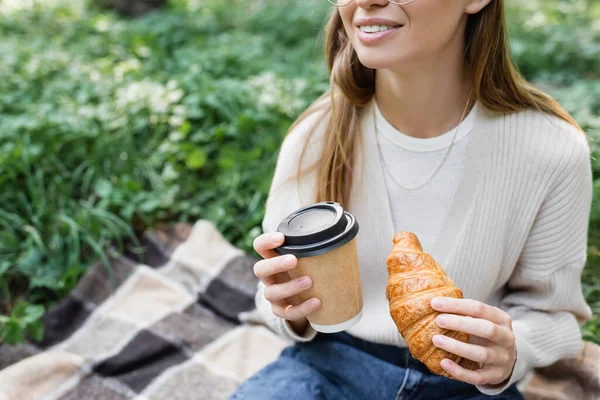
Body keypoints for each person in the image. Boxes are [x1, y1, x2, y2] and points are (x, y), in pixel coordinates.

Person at [230, 0, 593, 399]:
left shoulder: (550, 149)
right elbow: (275, 291)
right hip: (332, 365)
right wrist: (289, 306)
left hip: (465, 380)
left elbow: (552, 315)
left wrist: (511, 349)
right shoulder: (316, 137)